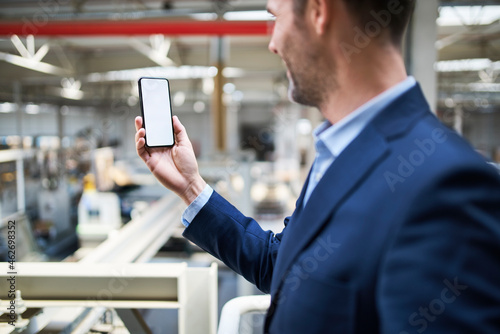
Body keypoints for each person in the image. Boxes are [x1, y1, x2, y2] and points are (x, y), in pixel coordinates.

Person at [135, 0, 500, 332]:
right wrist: (190, 187)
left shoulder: (447, 186)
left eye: (274, 19)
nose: (273, 44)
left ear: (318, 12)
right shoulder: (338, 154)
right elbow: (281, 267)